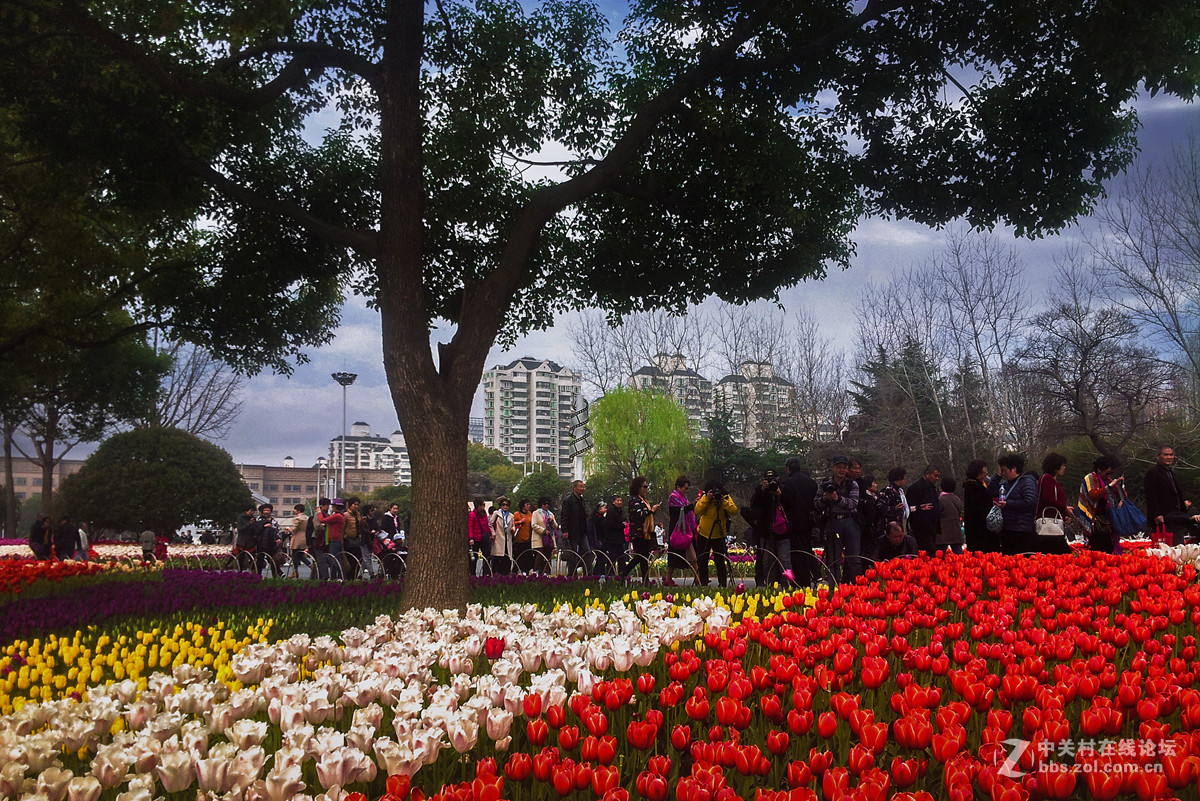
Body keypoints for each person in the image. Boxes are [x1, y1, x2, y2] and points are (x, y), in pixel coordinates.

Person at [814, 455, 861, 582]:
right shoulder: (825, 484)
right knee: (833, 559)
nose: (841, 470)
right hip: (832, 521)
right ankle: (833, 588)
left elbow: (853, 504)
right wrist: (824, 499)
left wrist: (837, 499)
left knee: (854, 558)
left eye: (844, 468)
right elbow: (816, 505)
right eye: (839, 467)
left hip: (849, 521)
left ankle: (856, 587)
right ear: (833, 468)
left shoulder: (852, 484)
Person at [1144, 445, 1200, 546]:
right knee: (1166, 547)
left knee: (1179, 546)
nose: (1169, 457)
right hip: (1164, 517)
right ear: (1158, 456)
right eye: (1166, 455)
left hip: (1176, 515)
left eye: (1171, 455)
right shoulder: (1153, 473)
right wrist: (1157, 513)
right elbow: (1150, 495)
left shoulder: (1171, 473)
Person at [780, 457, 818, 584]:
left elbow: (786, 503)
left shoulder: (788, 483)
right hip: (809, 521)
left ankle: (801, 580)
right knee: (806, 549)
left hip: (794, 522)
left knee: (797, 553)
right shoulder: (811, 483)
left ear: (788, 469)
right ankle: (813, 574)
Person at [694, 481, 737, 587]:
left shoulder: (725, 497)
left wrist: (722, 501)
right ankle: (703, 584)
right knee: (702, 560)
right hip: (704, 533)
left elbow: (734, 511)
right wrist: (707, 498)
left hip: (719, 534)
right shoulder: (705, 497)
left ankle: (722, 584)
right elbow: (697, 510)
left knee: (720, 561)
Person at [994, 453, 1037, 555]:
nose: (1003, 473)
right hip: (1008, 529)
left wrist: (1008, 504)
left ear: (1013, 469)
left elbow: (1030, 502)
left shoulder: (1027, 482)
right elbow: (991, 491)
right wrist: (998, 476)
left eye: (1004, 470)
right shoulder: (1006, 484)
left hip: (1022, 530)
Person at [753, 476, 792, 586]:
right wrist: (762, 491)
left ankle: (787, 586)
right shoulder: (760, 491)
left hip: (783, 532)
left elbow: (790, 505)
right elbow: (755, 506)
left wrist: (780, 494)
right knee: (767, 561)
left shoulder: (784, 489)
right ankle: (770, 587)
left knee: (785, 561)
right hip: (766, 532)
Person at [1033, 452, 1074, 554]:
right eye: (1062, 465)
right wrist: (1064, 508)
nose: (1064, 468)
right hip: (1049, 523)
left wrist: (1064, 513)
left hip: (1053, 521)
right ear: (1055, 467)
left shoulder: (1051, 480)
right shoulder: (1047, 479)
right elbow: (1048, 498)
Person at [621, 477, 660, 581]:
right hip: (637, 533)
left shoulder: (644, 500)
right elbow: (639, 514)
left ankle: (645, 581)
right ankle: (623, 574)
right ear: (638, 487)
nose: (646, 489)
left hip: (646, 533)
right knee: (640, 556)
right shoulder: (634, 500)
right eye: (644, 486)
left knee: (644, 557)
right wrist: (651, 511)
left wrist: (652, 511)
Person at [1079, 457, 1120, 554]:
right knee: (1100, 551)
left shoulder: (1106, 480)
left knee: (1108, 550)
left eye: (1111, 473)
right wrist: (1108, 487)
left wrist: (1118, 487)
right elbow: (1093, 495)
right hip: (1093, 520)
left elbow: (1122, 495)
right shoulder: (1090, 477)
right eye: (1107, 473)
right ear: (1099, 469)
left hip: (1105, 520)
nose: (1109, 475)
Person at [664, 476, 697, 585]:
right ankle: (669, 579)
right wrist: (692, 505)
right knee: (674, 555)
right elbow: (680, 512)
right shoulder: (674, 498)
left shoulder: (684, 499)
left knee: (691, 554)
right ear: (678, 487)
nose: (686, 491)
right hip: (677, 530)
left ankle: (698, 577)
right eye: (685, 488)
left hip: (685, 529)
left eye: (688, 489)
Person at [906, 465, 941, 554]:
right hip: (921, 527)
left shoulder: (932, 488)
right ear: (928, 474)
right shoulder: (915, 488)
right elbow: (909, 508)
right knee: (927, 551)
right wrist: (919, 508)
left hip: (932, 526)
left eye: (938, 476)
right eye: (935, 475)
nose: (937, 478)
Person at [962, 460, 995, 553]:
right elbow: (978, 507)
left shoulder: (979, 484)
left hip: (978, 526)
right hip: (978, 527)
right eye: (985, 469)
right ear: (979, 471)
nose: (987, 472)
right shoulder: (974, 486)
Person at [560, 480, 591, 575]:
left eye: (583, 487)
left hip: (582, 531)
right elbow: (564, 516)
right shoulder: (568, 500)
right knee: (572, 554)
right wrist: (565, 531)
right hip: (572, 531)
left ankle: (588, 574)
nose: (583, 489)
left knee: (587, 552)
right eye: (580, 487)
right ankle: (572, 575)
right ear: (575, 488)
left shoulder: (582, 500)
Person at [876, 468, 909, 538]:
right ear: (900, 478)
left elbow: (905, 508)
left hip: (901, 524)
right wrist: (894, 508)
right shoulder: (887, 491)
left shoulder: (900, 491)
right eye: (904, 478)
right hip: (890, 527)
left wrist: (918, 507)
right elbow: (879, 506)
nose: (905, 481)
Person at [318, 499, 346, 579]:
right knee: (333, 560)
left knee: (335, 559)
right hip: (336, 539)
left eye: (333, 506)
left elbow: (322, 520)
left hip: (334, 539)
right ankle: (334, 577)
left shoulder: (337, 516)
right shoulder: (340, 515)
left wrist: (319, 512)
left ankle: (341, 576)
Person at [936, 477, 964, 554]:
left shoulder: (940, 500)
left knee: (939, 556)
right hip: (956, 531)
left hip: (943, 533)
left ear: (941, 488)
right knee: (959, 554)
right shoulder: (957, 499)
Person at [602, 495, 627, 576]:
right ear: (613, 502)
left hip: (619, 537)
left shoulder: (619, 510)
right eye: (618, 500)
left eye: (620, 500)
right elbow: (610, 524)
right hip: (612, 538)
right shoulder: (611, 511)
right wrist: (621, 525)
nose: (620, 502)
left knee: (621, 556)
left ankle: (622, 571)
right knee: (612, 556)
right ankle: (610, 572)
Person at [488, 497, 514, 575]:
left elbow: (513, 525)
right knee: (497, 556)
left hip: (507, 538)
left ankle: (506, 573)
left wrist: (513, 529)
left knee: (507, 557)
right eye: (503, 505)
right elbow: (490, 524)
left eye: (507, 505)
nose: (505, 506)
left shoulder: (511, 516)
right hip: (499, 538)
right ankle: (495, 573)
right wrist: (493, 533)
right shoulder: (497, 513)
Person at [531, 497, 558, 572]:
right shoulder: (536, 513)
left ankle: (546, 571)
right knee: (540, 554)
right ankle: (535, 570)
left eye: (547, 504)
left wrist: (552, 521)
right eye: (544, 504)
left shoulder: (550, 514)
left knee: (548, 555)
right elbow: (533, 524)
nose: (546, 505)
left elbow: (555, 526)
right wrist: (543, 531)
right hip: (539, 537)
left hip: (549, 538)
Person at [289, 503, 316, 576]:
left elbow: (294, 529)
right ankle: (296, 571)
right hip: (304, 537)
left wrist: (288, 529)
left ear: (298, 510)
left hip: (297, 538)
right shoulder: (307, 518)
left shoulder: (297, 518)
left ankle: (296, 570)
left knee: (295, 555)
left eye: (295, 509)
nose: (294, 511)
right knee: (300, 554)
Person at [342, 497, 364, 579]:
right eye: (355, 505)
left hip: (357, 540)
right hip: (348, 540)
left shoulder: (358, 515)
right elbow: (342, 528)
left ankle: (353, 575)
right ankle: (349, 577)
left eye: (357, 505)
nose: (356, 506)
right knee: (349, 560)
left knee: (359, 559)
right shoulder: (346, 515)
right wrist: (343, 538)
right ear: (350, 505)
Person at [468, 498, 490, 576]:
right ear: (478, 505)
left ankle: (486, 573)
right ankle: (472, 574)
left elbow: (486, 525)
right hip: (476, 539)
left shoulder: (484, 514)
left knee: (486, 556)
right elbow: (470, 527)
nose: (484, 506)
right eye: (483, 504)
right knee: (474, 558)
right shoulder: (472, 515)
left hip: (484, 538)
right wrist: (471, 538)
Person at [512, 499, 534, 572]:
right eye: (527, 504)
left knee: (528, 556)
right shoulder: (517, 514)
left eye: (529, 504)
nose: (529, 506)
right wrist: (520, 522)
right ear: (522, 506)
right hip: (519, 539)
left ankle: (526, 571)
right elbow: (512, 523)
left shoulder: (530, 514)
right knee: (518, 556)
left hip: (528, 539)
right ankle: (517, 570)